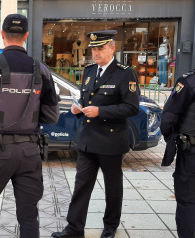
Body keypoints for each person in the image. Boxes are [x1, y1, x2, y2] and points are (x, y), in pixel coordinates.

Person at [0, 14, 60, 238]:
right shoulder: (41, 69)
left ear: (2, 35)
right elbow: (52, 115)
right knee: (28, 215)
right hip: (29, 152)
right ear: (26, 36)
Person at [51, 30, 140, 238]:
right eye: (94, 49)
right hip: (88, 139)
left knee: (112, 187)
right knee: (81, 185)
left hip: (111, 139)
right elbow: (87, 99)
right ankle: (74, 228)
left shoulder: (125, 73)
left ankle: (110, 226)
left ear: (112, 48)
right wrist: (79, 107)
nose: (96, 53)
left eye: (100, 49)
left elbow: (131, 107)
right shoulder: (90, 70)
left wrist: (101, 111)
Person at [160, 69, 195, 238]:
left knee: (187, 200)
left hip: (193, 152)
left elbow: (168, 117)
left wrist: (171, 137)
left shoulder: (190, 81)